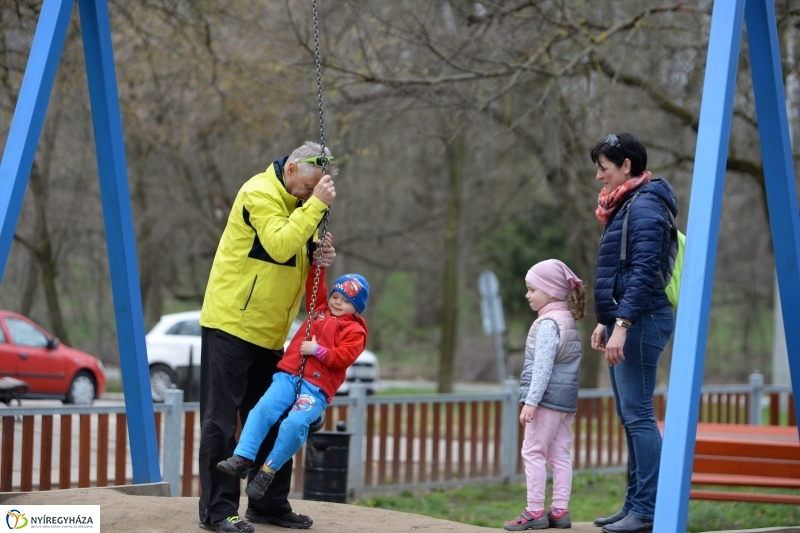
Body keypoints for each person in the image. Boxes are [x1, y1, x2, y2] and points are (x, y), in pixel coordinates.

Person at [198, 141, 338, 533]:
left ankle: (269, 504)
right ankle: (217, 511)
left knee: (276, 416)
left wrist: (319, 256)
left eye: (315, 192)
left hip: (272, 331)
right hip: (231, 324)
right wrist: (314, 208)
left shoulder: (300, 206)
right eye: (307, 188)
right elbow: (278, 244)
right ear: (291, 169)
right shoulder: (258, 192)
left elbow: (298, 263)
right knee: (222, 423)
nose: (310, 195)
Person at [216, 269, 369, 500]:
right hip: (288, 376)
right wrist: (320, 263)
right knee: (262, 409)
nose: (338, 302)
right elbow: (314, 282)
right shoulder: (319, 310)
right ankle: (243, 458)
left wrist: (316, 351)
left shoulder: (355, 331)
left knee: (294, 424)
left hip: (315, 389)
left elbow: (343, 357)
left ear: (357, 308)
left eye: (346, 301)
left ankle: (268, 471)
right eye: (336, 296)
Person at [589, 133, 676, 533]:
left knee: (639, 416)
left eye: (603, 168)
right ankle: (633, 506)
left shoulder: (644, 207)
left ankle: (648, 510)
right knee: (631, 417)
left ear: (626, 166)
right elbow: (622, 272)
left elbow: (642, 274)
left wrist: (621, 325)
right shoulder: (626, 205)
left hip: (644, 321)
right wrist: (606, 319)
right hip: (627, 321)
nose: (598, 177)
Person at [503, 259, 586, 532]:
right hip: (565, 401)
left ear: (550, 291)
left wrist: (531, 401)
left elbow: (542, 367)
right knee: (560, 454)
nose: (527, 295)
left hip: (547, 399)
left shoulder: (548, 323)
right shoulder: (567, 319)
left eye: (532, 289)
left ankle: (535, 510)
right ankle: (560, 511)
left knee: (534, 451)